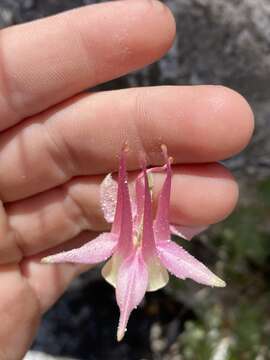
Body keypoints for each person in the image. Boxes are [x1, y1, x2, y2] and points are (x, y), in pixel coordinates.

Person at [0, 0, 254, 358]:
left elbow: (93, 243)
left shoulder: (146, 241)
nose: (139, 245)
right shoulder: (147, 245)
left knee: (141, 209)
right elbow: (100, 244)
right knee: (139, 209)